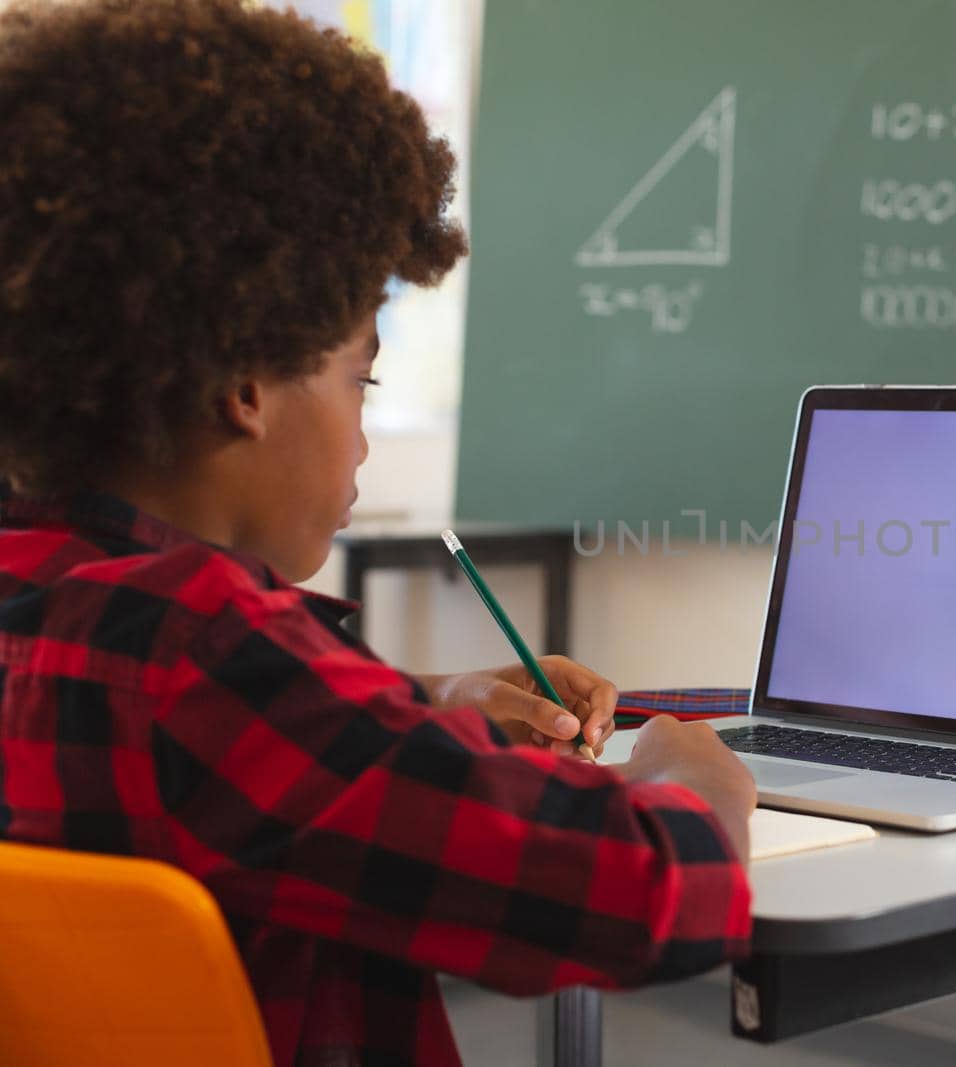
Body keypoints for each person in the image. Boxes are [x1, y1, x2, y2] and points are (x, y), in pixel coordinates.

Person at [0, 1, 757, 1064]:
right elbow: (643, 897)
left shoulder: (59, 600)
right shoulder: (212, 651)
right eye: (362, 374)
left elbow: (255, 755)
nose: (362, 430)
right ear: (245, 381)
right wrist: (694, 782)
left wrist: (426, 700)